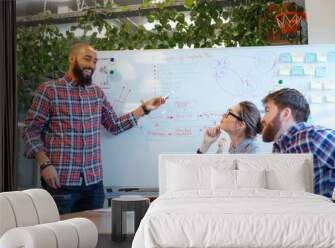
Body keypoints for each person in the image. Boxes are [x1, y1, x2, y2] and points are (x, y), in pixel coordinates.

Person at [23, 42, 166, 214]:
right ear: (72, 58)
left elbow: (114, 125)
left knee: (94, 237)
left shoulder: (96, 93)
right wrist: (44, 164)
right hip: (60, 183)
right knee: (61, 237)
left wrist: (144, 109)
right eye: (87, 59)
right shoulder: (49, 90)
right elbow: (31, 130)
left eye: (94, 62)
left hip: (94, 184)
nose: (91, 65)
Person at [197, 101, 263, 154]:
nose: (223, 115)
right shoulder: (227, 145)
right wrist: (206, 143)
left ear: (240, 125)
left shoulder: (254, 152)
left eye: (229, 113)